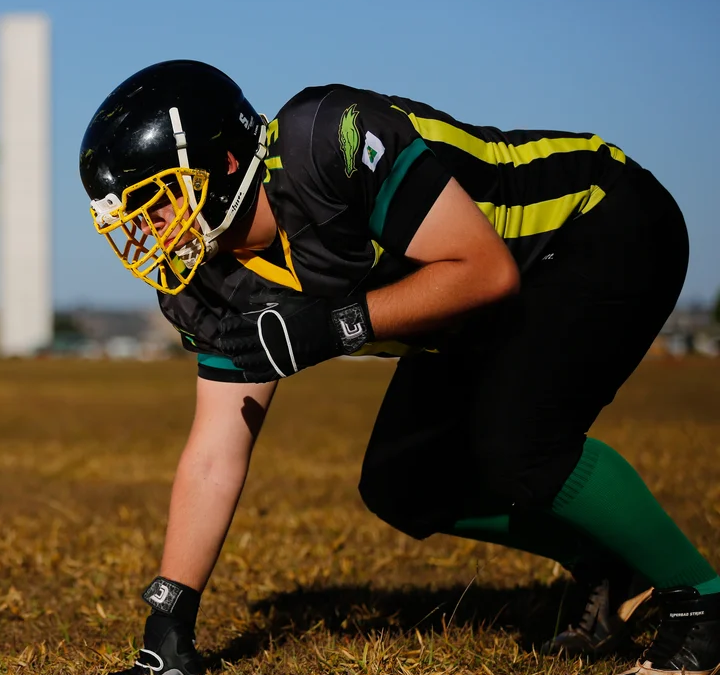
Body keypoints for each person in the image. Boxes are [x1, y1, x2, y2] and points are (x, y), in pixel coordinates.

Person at [78, 60, 715, 675]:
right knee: (403, 482)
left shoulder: (326, 140)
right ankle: (608, 564)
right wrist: (168, 628)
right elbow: (217, 450)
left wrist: (334, 326)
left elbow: (483, 271)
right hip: (478, 305)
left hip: (594, 224)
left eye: (154, 200)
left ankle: (703, 603)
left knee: (518, 444)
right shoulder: (208, 283)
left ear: (221, 163)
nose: (150, 227)